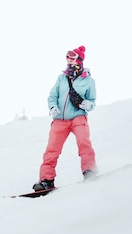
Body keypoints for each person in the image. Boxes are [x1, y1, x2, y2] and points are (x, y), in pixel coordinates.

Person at [33, 45, 97, 191]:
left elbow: (92, 101)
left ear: (79, 60)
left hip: (78, 117)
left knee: (84, 143)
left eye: (72, 57)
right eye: (67, 57)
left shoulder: (89, 81)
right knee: (52, 150)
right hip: (60, 120)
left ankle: (90, 171)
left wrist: (88, 104)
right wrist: (52, 107)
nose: (69, 60)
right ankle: (46, 180)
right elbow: (52, 96)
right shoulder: (62, 78)